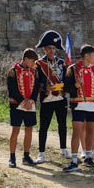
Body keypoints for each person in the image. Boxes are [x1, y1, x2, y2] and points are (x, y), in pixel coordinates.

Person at [62, 44, 94, 172]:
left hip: (92, 105)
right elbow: (65, 88)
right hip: (78, 105)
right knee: (77, 132)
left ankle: (88, 157)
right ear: (86, 56)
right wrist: (75, 85)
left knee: (91, 131)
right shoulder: (72, 69)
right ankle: (74, 161)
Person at [35, 30, 70, 164]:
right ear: (44, 49)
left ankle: (63, 149)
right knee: (44, 127)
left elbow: (66, 79)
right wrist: (44, 87)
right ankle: (41, 153)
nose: (52, 51)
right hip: (47, 99)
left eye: (54, 48)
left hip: (60, 98)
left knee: (63, 125)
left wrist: (64, 86)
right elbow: (36, 81)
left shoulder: (61, 63)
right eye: (49, 48)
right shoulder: (39, 64)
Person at [7, 48, 40, 168]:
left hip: (30, 104)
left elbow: (36, 87)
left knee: (29, 129)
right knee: (15, 130)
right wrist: (23, 101)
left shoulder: (34, 72)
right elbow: (12, 89)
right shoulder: (13, 71)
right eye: (32, 61)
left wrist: (32, 100)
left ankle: (26, 156)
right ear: (26, 59)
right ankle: (12, 157)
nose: (34, 63)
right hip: (16, 104)